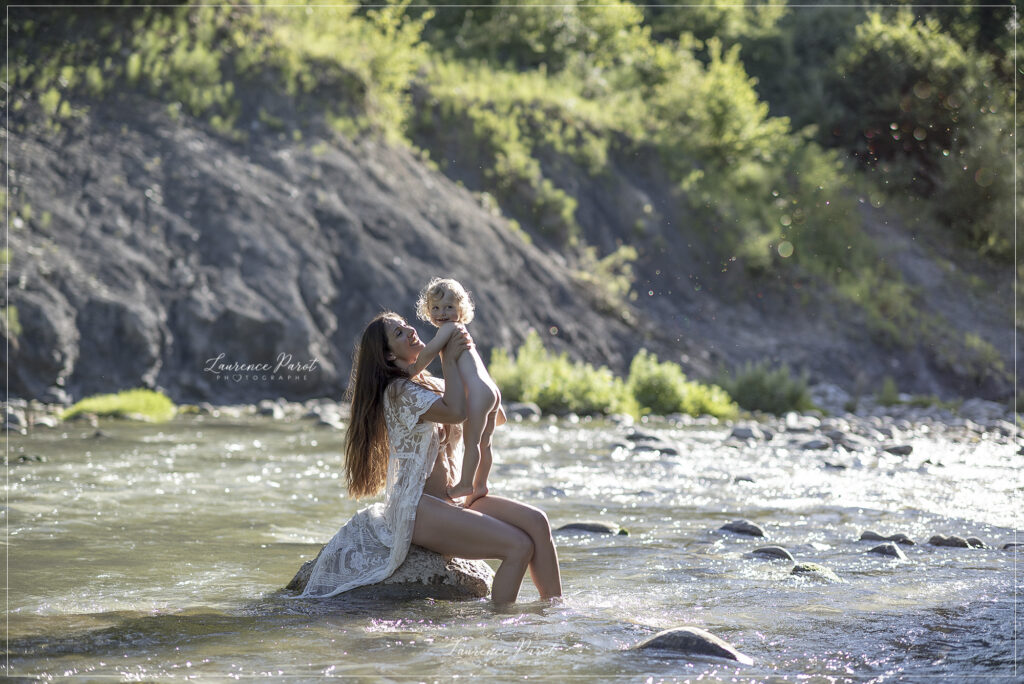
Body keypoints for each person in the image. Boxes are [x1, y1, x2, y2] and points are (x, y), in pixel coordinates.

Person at [297, 312, 561, 604]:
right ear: (387, 355)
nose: (410, 330)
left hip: (454, 498)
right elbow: (456, 412)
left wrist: (469, 358)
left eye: (405, 324)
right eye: (398, 333)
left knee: (538, 522)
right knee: (518, 546)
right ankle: (499, 626)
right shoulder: (398, 391)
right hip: (418, 508)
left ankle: (556, 613)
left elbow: (496, 417)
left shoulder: (432, 383)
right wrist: (449, 357)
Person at [408, 278, 500, 506]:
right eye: (436, 308)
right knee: (485, 442)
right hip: (490, 390)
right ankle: (481, 484)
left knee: (473, 442)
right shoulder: (462, 331)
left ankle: (466, 483)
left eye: (449, 307)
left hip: (478, 393)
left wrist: (411, 370)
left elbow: (429, 351)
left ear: (461, 309)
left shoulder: (449, 328)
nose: (442, 313)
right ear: (428, 311)